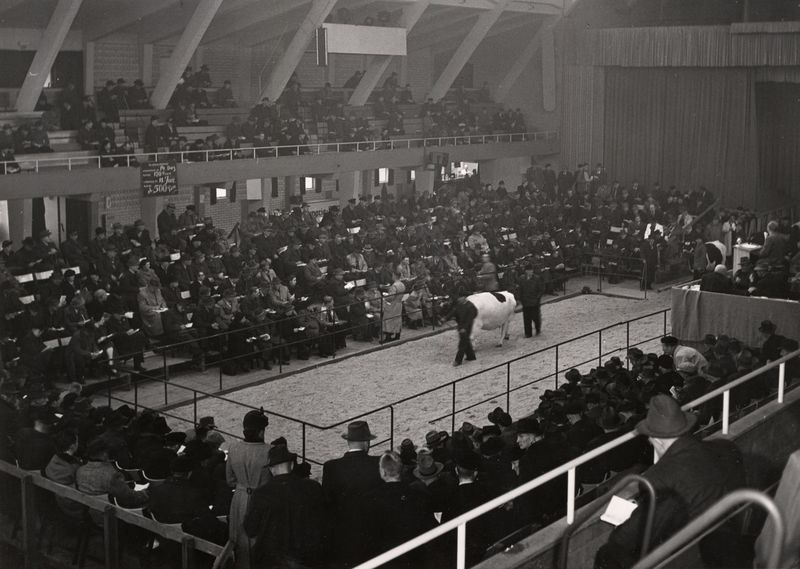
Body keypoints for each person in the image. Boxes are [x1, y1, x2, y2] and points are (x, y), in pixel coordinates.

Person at [596, 395, 746, 569]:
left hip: (695, 555)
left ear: (656, 440)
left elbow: (627, 539)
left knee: (608, 553)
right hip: (730, 540)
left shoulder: (660, 476)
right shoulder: (726, 447)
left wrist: (627, 522)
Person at [243, 444, 326, 567]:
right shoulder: (312, 487)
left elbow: (251, 529)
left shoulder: (261, 493)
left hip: (271, 561)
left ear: (271, 469)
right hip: (305, 559)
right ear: (292, 466)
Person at [322, 421, 383, 566]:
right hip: (372, 534)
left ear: (348, 441)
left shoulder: (331, 467)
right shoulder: (377, 463)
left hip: (343, 535)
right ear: (367, 443)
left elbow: (327, 502)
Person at [364, 451, 437, 567]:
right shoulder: (418, 495)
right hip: (415, 558)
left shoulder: (370, 499)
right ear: (400, 470)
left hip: (384, 559)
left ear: (383, 472)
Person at [226, 409, 271, 569]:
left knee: (240, 539)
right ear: (261, 432)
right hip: (261, 498)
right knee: (259, 538)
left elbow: (230, 480)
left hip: (239, 498)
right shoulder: (269, 451)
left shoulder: (233, 449)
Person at [450, 297, 477, 367]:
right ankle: (471, 356)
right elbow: (454, 311)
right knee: (466, 341)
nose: (458, 299)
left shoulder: (470, 306)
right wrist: (445, 318)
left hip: (466, 327)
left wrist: (464, 328)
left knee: (462, 344)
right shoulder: (460, 304)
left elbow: (469, 319)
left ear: (464, 298)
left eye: (460, 298)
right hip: (461, 326)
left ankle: (458, 361)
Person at [518, 264, 543, 337]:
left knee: (536, 317)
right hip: (525, 302)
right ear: (526, 271)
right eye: (529, 270)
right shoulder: (522, 279)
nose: (530, 272)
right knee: (526, 318)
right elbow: (520, 290)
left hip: (534, 302)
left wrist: (537, 298)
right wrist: (520, 298)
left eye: (531, 270)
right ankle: (528, 333)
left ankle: (537, 329)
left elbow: (541, 290)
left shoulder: (537, 278)